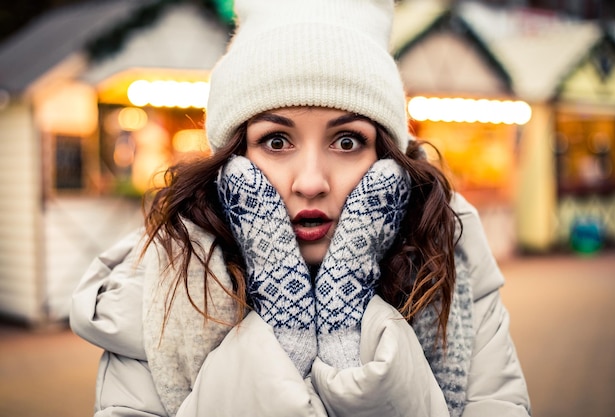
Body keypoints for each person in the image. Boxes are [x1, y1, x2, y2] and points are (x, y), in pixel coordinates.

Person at [70, 0, 531, 416]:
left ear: (387, 159)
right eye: (276, 141)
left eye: (347, 141)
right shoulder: (158, 285)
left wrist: (349, 336)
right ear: (233, 161)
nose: (311, 182)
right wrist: (282, 342)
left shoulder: (453, 259)